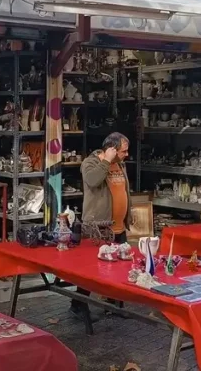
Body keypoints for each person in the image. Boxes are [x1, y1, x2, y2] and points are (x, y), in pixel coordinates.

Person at [70, 132, 132, 319]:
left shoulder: (120, 164)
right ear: (111, 149)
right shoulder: (90, 163)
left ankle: (113, 304)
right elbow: (93, 180)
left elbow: (124, 189)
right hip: (99, 227)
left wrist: (130, 212)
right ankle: (78, 305)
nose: (126, 154)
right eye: (123, 151)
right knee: (91, 270)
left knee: (120, 266)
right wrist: (106, 161)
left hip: (118, 226)